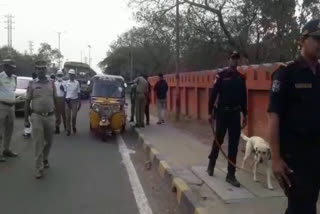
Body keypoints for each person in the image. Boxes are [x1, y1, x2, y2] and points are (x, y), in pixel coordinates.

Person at [268, 19, 320, 214]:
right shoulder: (287, 74)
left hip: (317, 154)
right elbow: (274, 117)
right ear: (302, 40)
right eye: (317, 39)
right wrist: (275, 159)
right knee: (302, 208)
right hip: (296, 159)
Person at [207, 51, 247, 187]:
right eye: (233, 58)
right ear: (228, 60)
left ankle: (231, 175)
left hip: (235, 114)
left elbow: (243, 98)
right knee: (218, 139)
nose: (235, 61)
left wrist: (245, 114)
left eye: (237, 58)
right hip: (222, 113)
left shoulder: (241, 78)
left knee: (233, 145)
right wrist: (209, 112)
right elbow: (213, 94)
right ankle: (211, 164)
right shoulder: (221, 76)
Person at [25, 60, 57, 179]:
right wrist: (26, 119)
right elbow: (27, 101)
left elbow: (55, 99)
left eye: (43, 68)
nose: (41, 70)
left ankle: (44, 159)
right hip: (36, 116)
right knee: (39, 143)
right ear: (36, 70)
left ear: (46, 69)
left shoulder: (52, 83)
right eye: (38, 68)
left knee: (48, 142)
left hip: (50, 116)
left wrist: (58, 117)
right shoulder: (32, 84)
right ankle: (38, 168)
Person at [0, 59, 18, 162]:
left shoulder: (14, 78)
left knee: (9, 130)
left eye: (13, 68)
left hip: (11, 107)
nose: (13, 70)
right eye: (11, 68)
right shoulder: (0, 77)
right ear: (5, 67)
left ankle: (6, 149)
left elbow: (13, 90)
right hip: (1, 106)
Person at [64, 69, 81, 136]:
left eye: (72, 75)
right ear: (69, 75)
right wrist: (64, 100)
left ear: (74, 75)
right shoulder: (66, 82)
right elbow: (65, 92)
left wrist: (80, 102)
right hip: (67, 100)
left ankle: (73, 126)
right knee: (68, 117)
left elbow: (79, 92)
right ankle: (68, 130)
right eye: (70, 74)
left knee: (74, 116)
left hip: (74, 101)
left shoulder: (77, 83)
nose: (71, 76)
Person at [23, 72, 38, 139]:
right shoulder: (35, 83)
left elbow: (28, 94)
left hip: (32, 103)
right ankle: (29, 132)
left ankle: (27, 133)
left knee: (29, 118)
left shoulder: (31, 83)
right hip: (35, 103)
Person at [54, 70, 66, 134]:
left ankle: (66, 127)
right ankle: (57, 128)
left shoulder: (65, 83)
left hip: (63, 99)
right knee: (57, 115)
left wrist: (63, 89)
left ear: (62, 76)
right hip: (57, 99)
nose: (59, 76)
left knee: (64, 114)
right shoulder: (54, 83)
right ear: (57, 76)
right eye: (58, 75)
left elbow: (67, 92)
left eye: (60, 75)